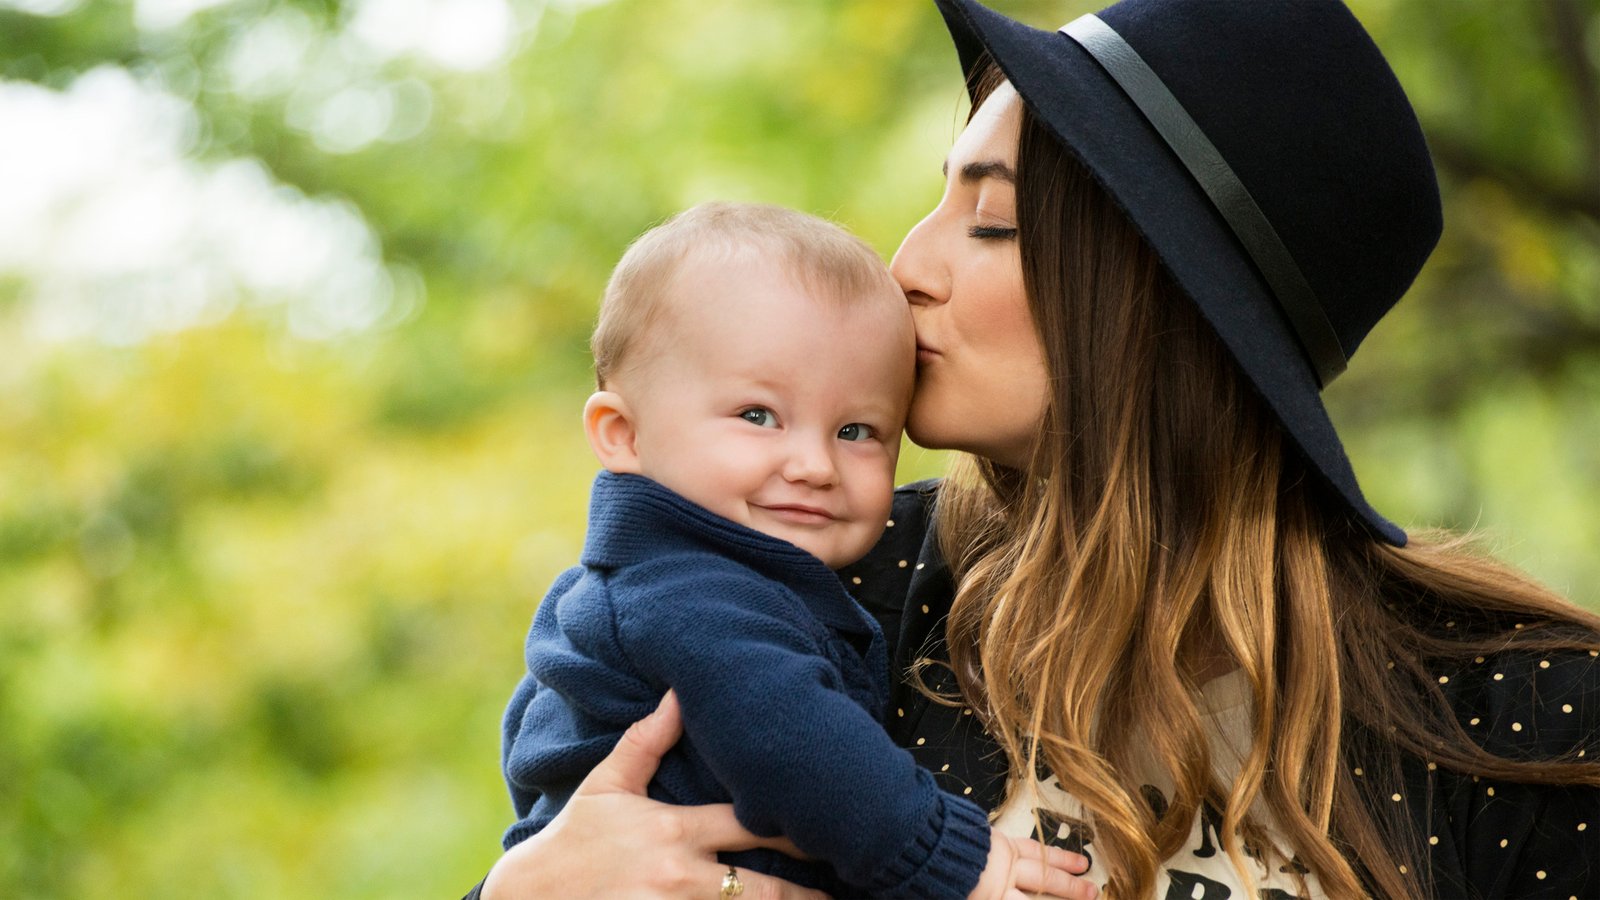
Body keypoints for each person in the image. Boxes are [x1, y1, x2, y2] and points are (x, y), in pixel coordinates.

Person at [470, 1, 1600, 898]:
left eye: (992, 221)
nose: (905, 266)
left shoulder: (1522, 713)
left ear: (1168, 307)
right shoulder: (843, 569)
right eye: (934, 199)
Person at [495, 202, 1093, 900]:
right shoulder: (689, 591)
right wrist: (954, 859)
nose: (814, 464)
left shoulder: (646, 587)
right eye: (758, 416)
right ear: (622, 434)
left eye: (857, 431)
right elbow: (793, 741)